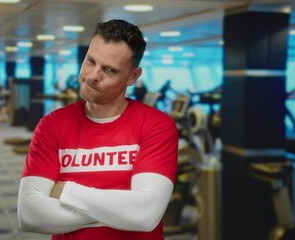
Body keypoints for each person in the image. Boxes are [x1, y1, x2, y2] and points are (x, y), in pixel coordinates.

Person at [17, 19, 178, 240]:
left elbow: (145, 216)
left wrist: (65, 191)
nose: (93, 75)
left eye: (109, 70)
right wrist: (121, 213)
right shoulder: (52, 126)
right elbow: (30, 215)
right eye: (90, 61)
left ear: (133, 76)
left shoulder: (156, 126)